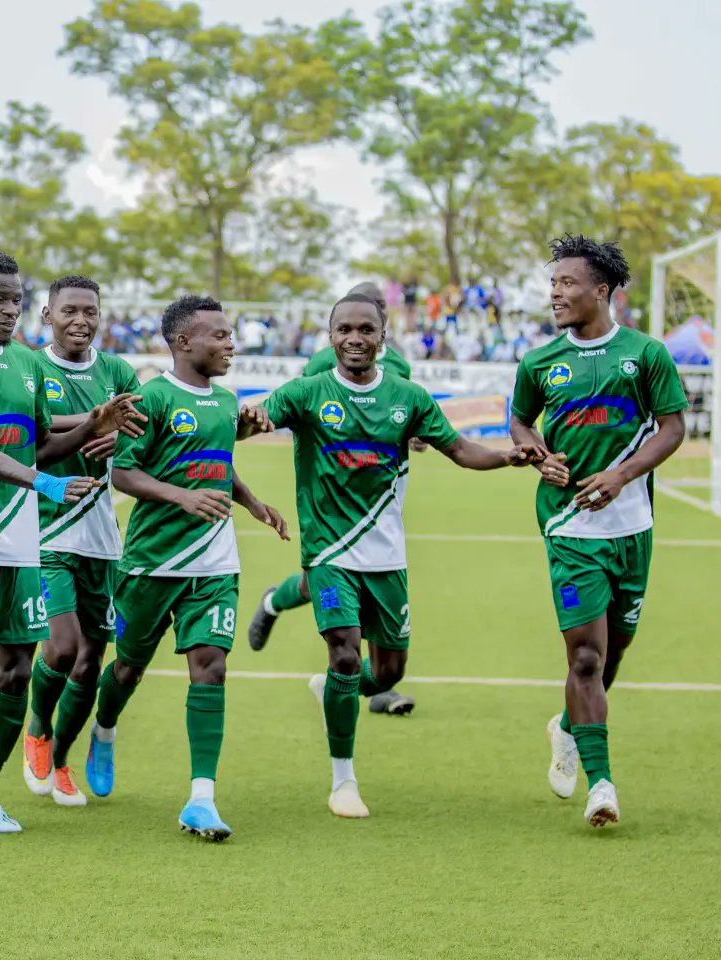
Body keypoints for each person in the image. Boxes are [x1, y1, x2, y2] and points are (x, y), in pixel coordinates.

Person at [258, 293, 545, 817]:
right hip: (329, 551)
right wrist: (236, 422)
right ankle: (343, 779)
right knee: (345, 651)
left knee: (387, 672)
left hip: (385, 554)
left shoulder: (408, 396)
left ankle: (332, 690)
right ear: (330, 336)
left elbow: (459, 449)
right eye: (344, 329)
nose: (355, 338)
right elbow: (254, 421)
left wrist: (507, 457)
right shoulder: (305, 392)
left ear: (383, 337)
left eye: (366, 329)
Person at [0, 250, 142, 835]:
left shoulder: (26, 364)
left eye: (16, 298)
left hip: (20, 539)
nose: (10, 309)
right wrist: (44, 482)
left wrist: (94, 426)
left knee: (15, 674)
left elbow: (39, 443)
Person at [85, 294, 289, 842]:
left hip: (215, 561)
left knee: (211, 667)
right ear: (183, 342)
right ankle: (103, 730)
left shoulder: (227, 402)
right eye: (219, 336)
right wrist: (181, 497)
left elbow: (220, 463)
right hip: (151, 562)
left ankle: (202, 799)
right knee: (127, 668)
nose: (231, 344)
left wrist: (251, 503)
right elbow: (122, 474)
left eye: (230, 335)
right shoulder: (149, 398)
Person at [509, 235, 687, 828]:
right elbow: (520, 420)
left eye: (566, 283)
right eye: (552, 284)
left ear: (601, 290)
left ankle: (567, 724)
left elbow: (671, 428)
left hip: (633, 526)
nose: (555, 294)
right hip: (567, 525)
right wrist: (537, 453)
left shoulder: (645, 354)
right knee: (585, 656)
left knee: (613, 656)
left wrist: (619, 475)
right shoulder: (538, 361)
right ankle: (601, 785)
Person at [248, 282, 421, 718]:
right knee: (330, 583)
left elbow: (401, 415)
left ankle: (370, 676)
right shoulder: (326, 362)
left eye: (377, 314)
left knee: (362, 590)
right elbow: (311, 410)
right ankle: (278, 607)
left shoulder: (398, 364)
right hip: (332, 484)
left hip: (380, 486)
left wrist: (414, 435)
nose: (365, 328)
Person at [21, 275, 142, 807]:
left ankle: (64, 756)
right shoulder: (28, 369)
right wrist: (97, 421)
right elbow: (30, 437)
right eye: (68, 311)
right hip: (45, 533)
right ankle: (38, 727)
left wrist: (120, 432)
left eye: (89, 311)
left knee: (91, 662)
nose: (80, 320)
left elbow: (139, 428)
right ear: (47, 316)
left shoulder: (116, 371)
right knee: (63, 647)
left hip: (101, 540)